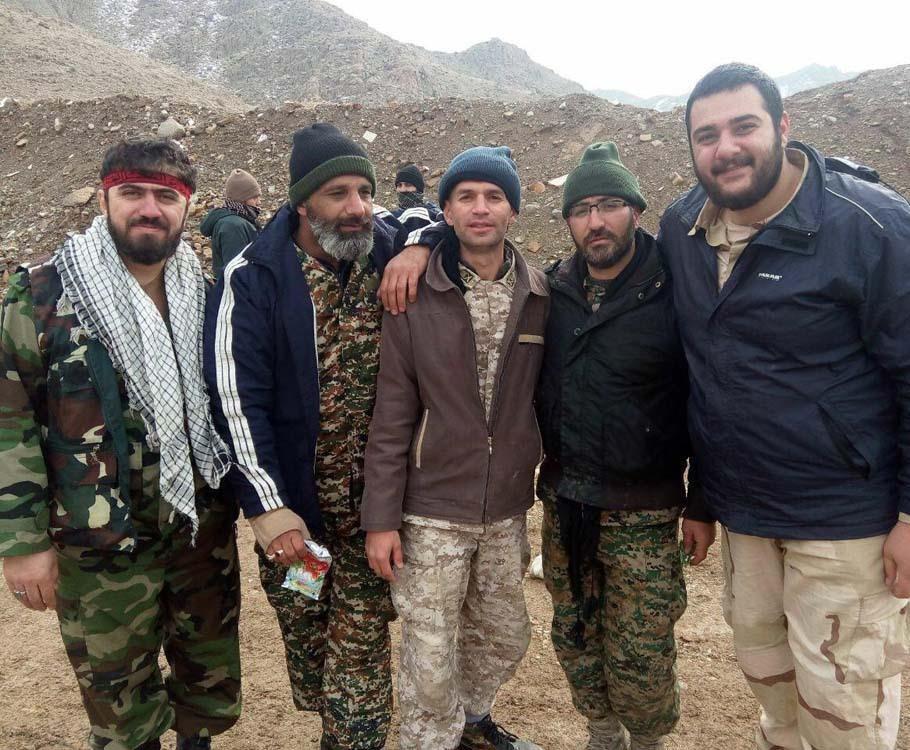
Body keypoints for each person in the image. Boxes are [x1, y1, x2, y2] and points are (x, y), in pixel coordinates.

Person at [659, 62, 910, 749]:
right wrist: (703, 499)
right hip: (746, 518)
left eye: (743, 127)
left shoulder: (871, 227)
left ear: (783, 127)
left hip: (844, 525)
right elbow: (702, 373)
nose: (726, 148)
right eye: (706, 135)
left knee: (843, 717)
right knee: (774, 696)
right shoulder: (684, 229)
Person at [0, 138, 240, 750]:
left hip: (198, 531)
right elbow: (9, 420)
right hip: (99, 543)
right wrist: (22, 543)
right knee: (121, 709)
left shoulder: (207, 296)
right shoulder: (43, 295)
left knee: (206, 682)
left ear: (188, 208)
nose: (149, 209)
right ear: (105, 199)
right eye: (132, 193)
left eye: (166, 196)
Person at [204, 123, 422, 750]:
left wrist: (419, 248)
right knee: (310, 644)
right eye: (337, 194)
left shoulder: (385, 250)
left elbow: (440, 229)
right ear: (302, 202)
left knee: (359, 663)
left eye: (365, 192)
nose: (357, 208)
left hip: (374, 514)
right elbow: (236, 399)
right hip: (297, 520)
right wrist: (268, 507)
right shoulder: (254, 276)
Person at [362, 146, 548, 750]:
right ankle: (431, 739)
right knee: (430, 653)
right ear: (445, 211)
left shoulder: (541, 295)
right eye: (466, 196)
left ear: (513, 211)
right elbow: (392, 413)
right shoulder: (413, 294)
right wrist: (381, 519)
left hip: (504, 510)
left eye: (494, 196)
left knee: (505, 634)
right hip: (431, 510)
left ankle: (470, 723)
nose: (480, 208)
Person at [537, 142, 714, 750]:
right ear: (568, 220)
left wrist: (703, 502)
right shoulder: (553, 290)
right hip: (566, 503)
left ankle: (645, 740)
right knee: (574, 636)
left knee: (641, 653)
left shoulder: (677, 290)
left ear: (635, 211)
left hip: (644, 509)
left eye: (609, 205)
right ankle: (602, 733)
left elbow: (710, 400)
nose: (596, 221)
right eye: (581, 209)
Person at [200, 168, 262, 280]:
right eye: (254, 197)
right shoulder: (233, 226)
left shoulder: (240, 220)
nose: (259, 202)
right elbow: (236, 274)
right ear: (241, 199)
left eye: (258, 197)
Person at [392, 163, 443, 229]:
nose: (403, 189)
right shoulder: (392, 218)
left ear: (418, 189)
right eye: (399, 185)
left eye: (408, 185)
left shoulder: (435, 216)